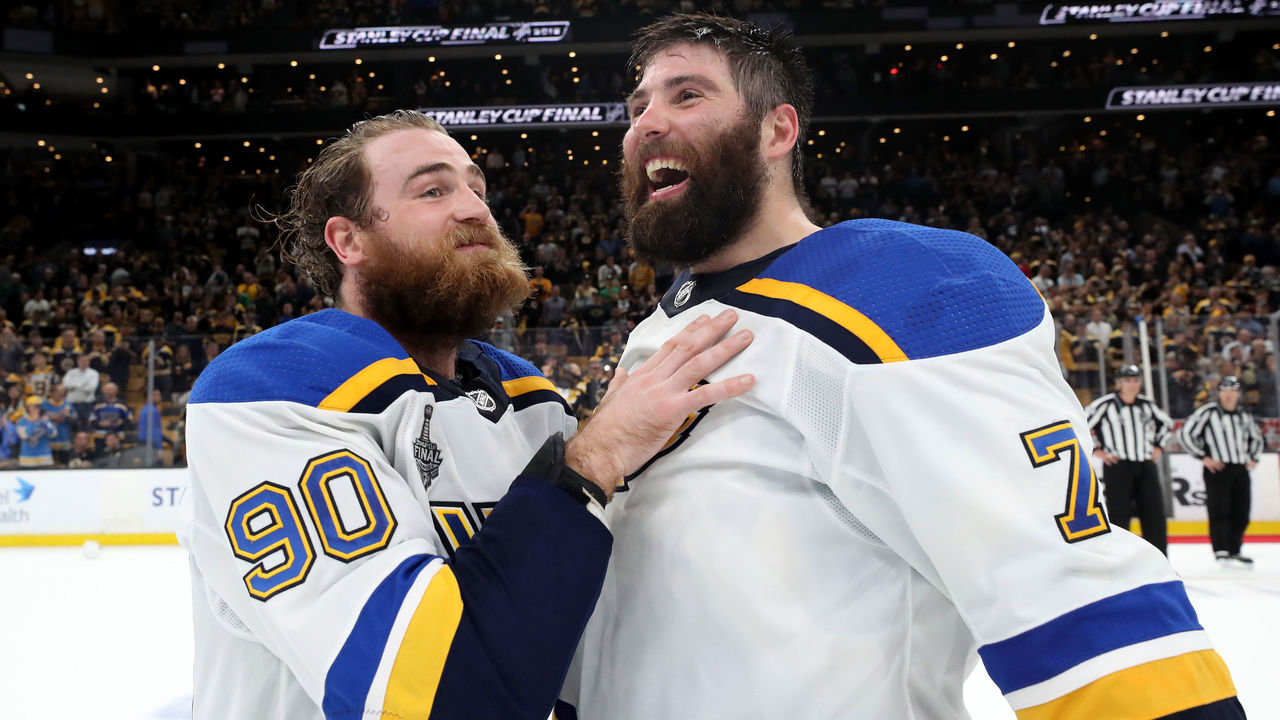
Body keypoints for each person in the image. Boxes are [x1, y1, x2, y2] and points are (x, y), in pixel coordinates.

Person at [570, 13, 1243, 719]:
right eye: (637, 104)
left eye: (687, 95)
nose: (646, 122)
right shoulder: (665, 322)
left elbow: (1075, 603)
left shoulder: (899, 290)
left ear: (777, 131)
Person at [177, 109, 754, 720]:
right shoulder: (276, 388)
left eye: (477, 188)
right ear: (349, 241)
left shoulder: (531, 400)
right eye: (433, 190)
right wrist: (596, 455)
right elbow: (434, 699)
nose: (476, 209)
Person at [1084, 364, 1175, 555]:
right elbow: (1082, 424)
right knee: (1119, 512)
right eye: (1127, 380)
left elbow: (1166, 425)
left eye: (1135, 380)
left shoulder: (1146, 405)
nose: (1131, 385)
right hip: (1118, 465)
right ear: (1119, 383)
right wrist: (1097, 449)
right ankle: (1121, 557)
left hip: (1145, 464)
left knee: (1153, 513)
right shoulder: (1105, 404)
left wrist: (1158, 446)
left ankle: (1159, 558)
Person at [1180, 376, 1265, 566]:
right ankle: (1221, 549)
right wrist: (1203, 457)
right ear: (1219, 392)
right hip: (1218, 469)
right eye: (1225, 390)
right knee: (1219, 510)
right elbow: (1186, 433)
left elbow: (1257, 438)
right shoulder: (1208, 412)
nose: (1228, 394)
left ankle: (1235, 548)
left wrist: (1254, 457)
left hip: (1239, 468)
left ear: (1238, 393)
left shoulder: (1244, 416)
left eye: (1232, 390)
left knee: (1241, 511)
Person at [16, 397, 56, 468]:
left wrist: (45, 422)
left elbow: (53, 434)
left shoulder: (45, 420)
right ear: (28, 407)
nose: (38, 409)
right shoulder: (22, 421)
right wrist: (32, 421)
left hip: (44, 459)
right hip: (27, 460)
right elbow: (24, 436)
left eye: (40, 406)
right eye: (35, 406)